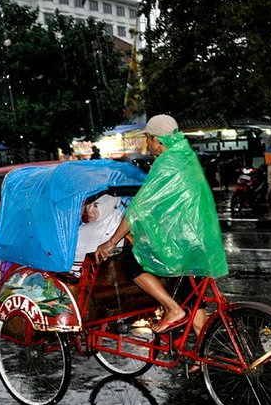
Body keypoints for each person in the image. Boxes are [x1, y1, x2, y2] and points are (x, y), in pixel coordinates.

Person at [95, 114, 228, 339]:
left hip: (181, 243)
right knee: (191, 293)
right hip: (200, 240)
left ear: (157, 140)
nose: (148, 143)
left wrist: (111, 241)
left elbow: (139, 209)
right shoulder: (185, 156)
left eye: (148, 138)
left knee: (131, 263)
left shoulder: (165, 164)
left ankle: (171, 308)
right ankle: (202, 354)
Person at [71, 195, 124, 275]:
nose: (89, 210)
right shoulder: (118, 222)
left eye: (96, 205)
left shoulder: (82, 233)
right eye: (88, 203)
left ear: (108, 205)